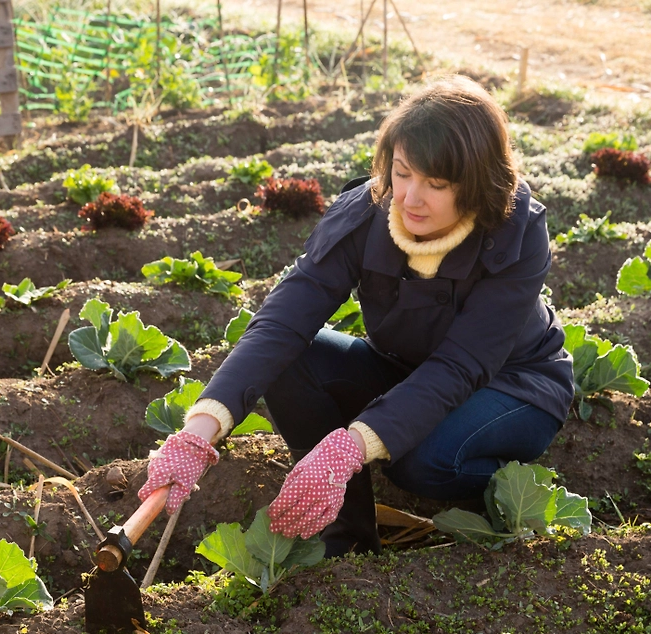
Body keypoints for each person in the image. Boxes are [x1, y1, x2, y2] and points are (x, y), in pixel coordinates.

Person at [139, 75, 574, 557]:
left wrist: (351, 445)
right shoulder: (367, 212)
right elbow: (284, 318)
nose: (411, 198)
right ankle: (344, 540)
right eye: (404, 172)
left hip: (512, 384)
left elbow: (461, 364)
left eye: (437, 184)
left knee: (419, 461)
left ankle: (509, 486)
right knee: (295, 358)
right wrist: (200, 429)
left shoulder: (516, 233)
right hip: (403, 371)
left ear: (475, 185)